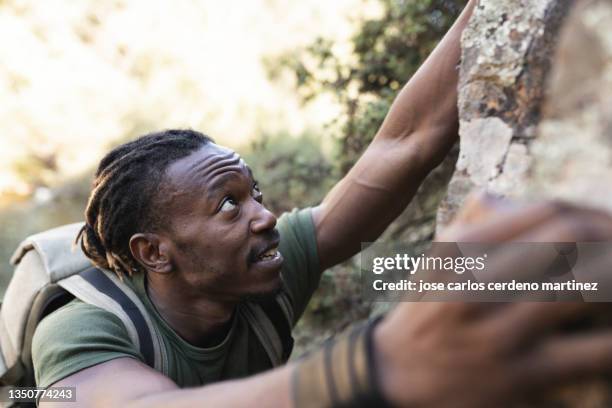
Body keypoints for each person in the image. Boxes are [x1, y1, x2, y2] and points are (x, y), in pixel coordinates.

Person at [31, 0, 612, 406]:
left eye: (253, 193)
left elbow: (404, 145)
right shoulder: (81, 329)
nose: (264, 215)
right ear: (154, 252)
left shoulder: (268, 267)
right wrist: (376, 366)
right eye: (228, 207)